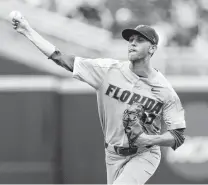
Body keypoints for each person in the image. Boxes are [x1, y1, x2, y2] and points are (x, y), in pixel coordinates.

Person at [11, 14, 186, 185]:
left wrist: (148, 140)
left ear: (152, 48)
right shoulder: (107, 70)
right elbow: (60, 57)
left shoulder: (165, 90)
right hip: (112, 154)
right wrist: (28, 31)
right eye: (131, 39)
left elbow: (177, 136)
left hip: (145, 154)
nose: (132, 43)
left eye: (140, 40)